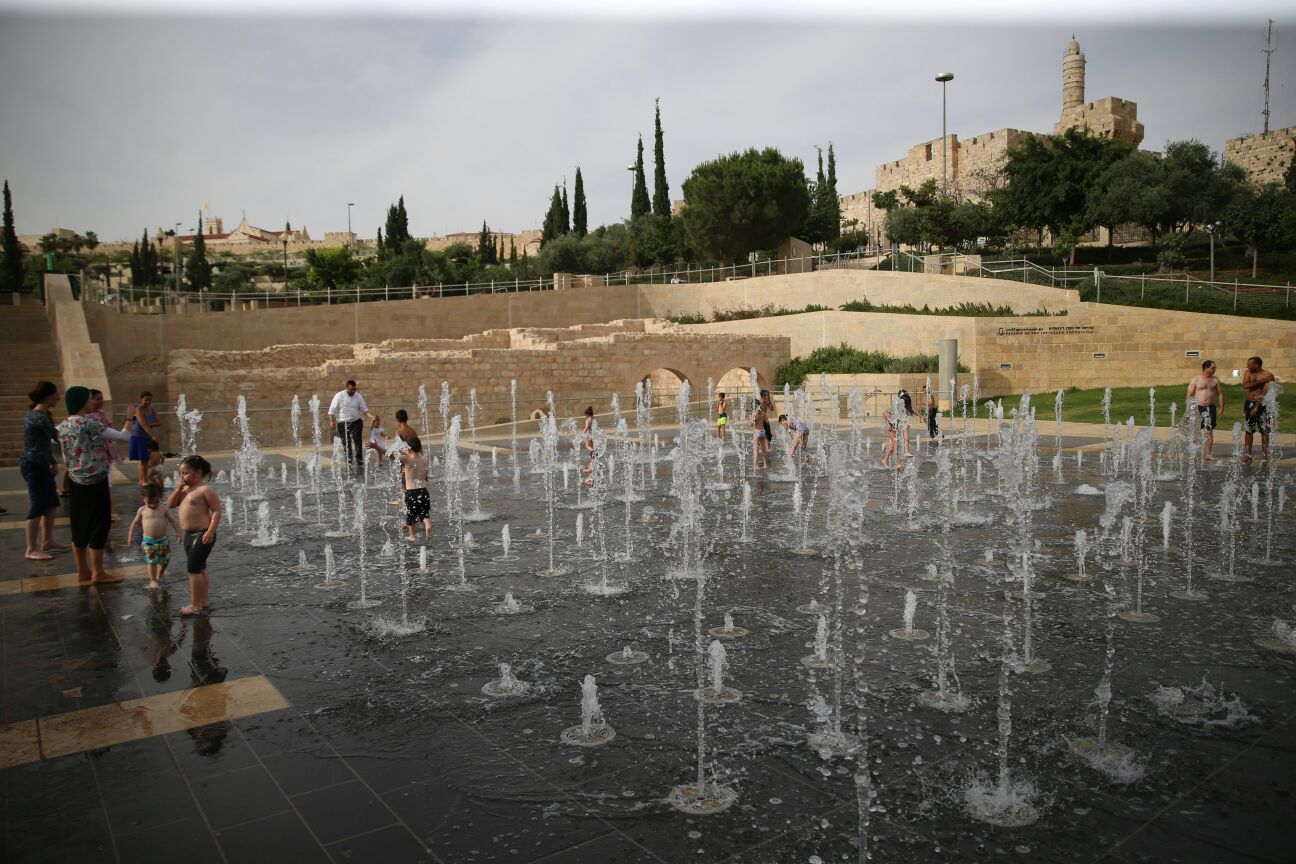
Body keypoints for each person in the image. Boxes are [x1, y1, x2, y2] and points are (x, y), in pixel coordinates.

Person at [57, 385, 132, 582]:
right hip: (95, 481)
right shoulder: (90, 423)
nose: (93, 403)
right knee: (100, 523)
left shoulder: (63, 425)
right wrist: (130, 418)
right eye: (90, 399)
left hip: (75, 480)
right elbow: (124, 437)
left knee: (79, 525)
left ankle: (83, 571)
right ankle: (98, 572)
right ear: (82, 402)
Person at [167, 455, 221, 616]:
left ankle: (195, 604)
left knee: (193, 570)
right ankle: (204, 601)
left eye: (185, 473)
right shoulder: (184, 490)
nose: (182, 477)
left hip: (202, 534)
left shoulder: (205, 490)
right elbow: (170, 504)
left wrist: (211, 531)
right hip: (189, 535)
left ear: (198, 473)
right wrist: (177, 489)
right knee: (200, 568)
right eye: (180, 473)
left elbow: (217, 511)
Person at [19, 381, 66, 561]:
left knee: (52, 503)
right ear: (48, 396)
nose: (58, 397)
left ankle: (47, 541)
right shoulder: (38, 417)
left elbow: (42, 443)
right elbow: (58, 436)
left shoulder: (42, 414)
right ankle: (31, 549)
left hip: (41, 463)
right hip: (34, 465)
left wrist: (52, 461)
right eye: (55, 394)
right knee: (38, 506)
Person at [128, 483, 181, 590]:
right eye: (149, 502)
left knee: (165, 560)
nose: (152, 505)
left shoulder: (164, 509)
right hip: (149, 541)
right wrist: (130, 536)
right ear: (143, 498)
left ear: (160, 497)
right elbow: (135, 523)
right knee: (151, 561)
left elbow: (173, 521)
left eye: (156, 502)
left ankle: (161, 572)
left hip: (163, 540)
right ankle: (153, 580)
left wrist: (178, 533)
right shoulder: (142, 510)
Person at [328, 379, 374, 470]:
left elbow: (363, 408)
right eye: (351, 390)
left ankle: (359, 462)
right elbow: (332, 410)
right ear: (346, 388)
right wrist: (332, 422)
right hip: (343, 422)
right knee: (346, 443)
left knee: (358, 442)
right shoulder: (339, 396)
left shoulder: (358, 396)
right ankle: (349, 462)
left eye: (354, 389)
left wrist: (370, 416)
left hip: (356, 421)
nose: (353, 391)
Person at [1186, 359, 1224, 463]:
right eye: (1213, 368)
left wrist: (1222, 407)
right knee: (1195, 432)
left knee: (1209, 432)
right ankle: (1194, 454)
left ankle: (1208, 454)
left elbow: (1220, 393)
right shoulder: (1196, 379)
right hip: (1198, 408)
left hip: (1210, 408)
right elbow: (1189, 395)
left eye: (1215, 367)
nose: (1214, 369)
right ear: (1206, 368)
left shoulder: (1215, 380)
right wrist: (1190, 408)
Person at [1240, 355, 1276, 462]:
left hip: (1262, 404)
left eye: (1250, 365)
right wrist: (1262, 381)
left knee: (1264, 430)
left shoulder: (1268, 375)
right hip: (1249, 402)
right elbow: (1246, 386)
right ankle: (1248, 454)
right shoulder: (1248, 373)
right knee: (1248, 429)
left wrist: (1257, 407)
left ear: (1257, 365)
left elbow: (1266, 393)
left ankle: (1264, 456)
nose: (1248, 366)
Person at [398, 436, 433, 542]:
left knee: (411, 514)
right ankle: (427, 525)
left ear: (408, 449)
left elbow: (394, 456)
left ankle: (412, 536)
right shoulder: (424, 460)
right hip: (424, 491)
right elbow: (426, 476)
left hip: (411, 492)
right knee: (424, 512)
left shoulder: (407, 459)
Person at [126, 390, 160, 486]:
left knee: (145, 460)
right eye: (146, 400)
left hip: (147, 437)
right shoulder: (138, 410)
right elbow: (143, 424)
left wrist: (150, 424)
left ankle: (142, 480)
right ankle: (144, 481)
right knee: (143, 460)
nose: (148, 402)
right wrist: (153, 436)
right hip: (138, 437)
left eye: (149, 400)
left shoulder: (152, 410)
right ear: (141, 400)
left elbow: (159, 422)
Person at [880, 390, 916, 468]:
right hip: (891, 427)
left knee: (894, 445)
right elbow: (884, 413)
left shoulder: (901, 408)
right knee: (895, 445)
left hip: (895, 426)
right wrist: (888, 423)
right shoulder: (895, 407)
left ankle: (885, 458)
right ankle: (896, 463)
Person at [752, 402, 769, 470]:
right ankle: (765, 464)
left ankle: (755, 466)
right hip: (763, 431)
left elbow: (750, 424)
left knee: (756, 450)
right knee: (763, 449)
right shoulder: (763, 413)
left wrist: (754, 419)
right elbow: (767, 422)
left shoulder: (754, 414)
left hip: (757, 432)